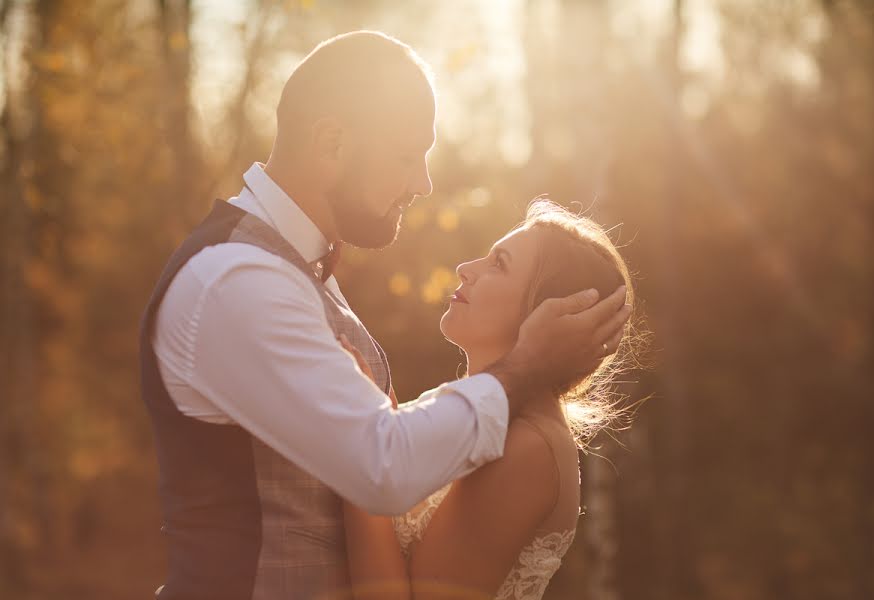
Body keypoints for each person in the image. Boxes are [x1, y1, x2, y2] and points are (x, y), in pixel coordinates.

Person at [139, 31, 631, 600]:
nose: (422, 183)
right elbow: (382, 465)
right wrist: (522, 369)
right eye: (406, 154)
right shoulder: (237, 279)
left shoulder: (300, 274)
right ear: (332, 143)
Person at [340, 199, 636, 600]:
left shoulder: (530, 445)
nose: (467, 268)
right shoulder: (476, 414)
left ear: (543, 315)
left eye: (499, 263)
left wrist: (358, 442)